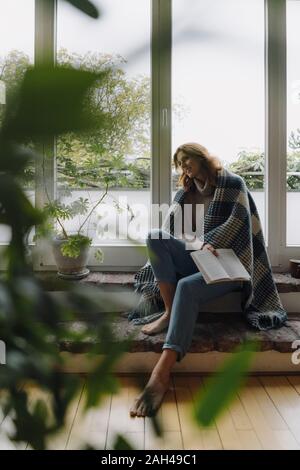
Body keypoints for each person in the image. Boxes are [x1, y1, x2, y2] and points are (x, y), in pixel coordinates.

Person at [129, 142, 287, 418]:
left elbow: (238, 224)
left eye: (186, 159)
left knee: (187, 288)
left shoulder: (233, 184)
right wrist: (198, 245)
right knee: (155, 236)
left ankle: (162, 372)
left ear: (201, 158)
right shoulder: (185, 193)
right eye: (179, 163)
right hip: (198, 257)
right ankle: (168, 312)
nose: (183, 166)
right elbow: (175, 233)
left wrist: (208, 244)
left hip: (228, 265)